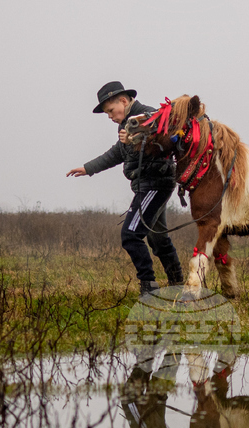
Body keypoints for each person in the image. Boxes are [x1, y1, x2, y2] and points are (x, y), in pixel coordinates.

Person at [66, 81, 185, 295]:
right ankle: (178, 285)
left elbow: (163, 140)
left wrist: (132, 138)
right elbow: (117, 154)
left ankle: (148, 286)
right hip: (148, 184)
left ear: (123, 100)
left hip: (154, 184)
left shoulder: (147, 115)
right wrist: (88, 168)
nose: (110, 116)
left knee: (130, 235)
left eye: (111, 111)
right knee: (157, 239)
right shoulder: (125, 126)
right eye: (107, 114)